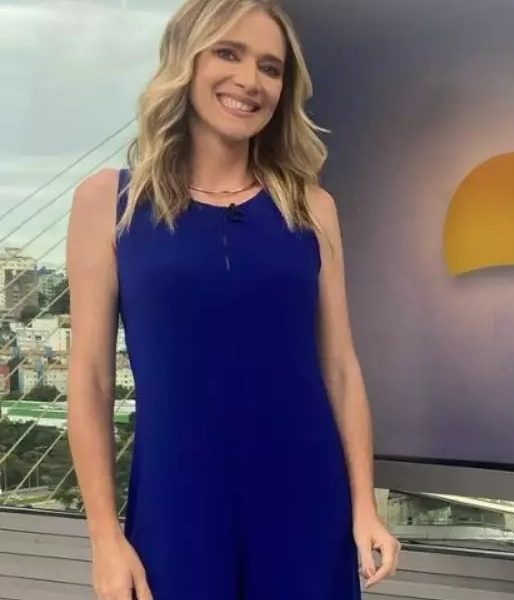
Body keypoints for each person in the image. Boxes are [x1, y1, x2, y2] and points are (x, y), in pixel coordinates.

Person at [64, 1, 400, 598]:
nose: (250, 80)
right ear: (186, 61)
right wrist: (104, 538)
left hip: (306, 503)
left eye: (270, 67)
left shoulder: (312, 208)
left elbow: (341, 369)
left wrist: (364, 507)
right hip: (176, 509)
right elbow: (90, 378)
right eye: (228, 53)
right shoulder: (107, 204)